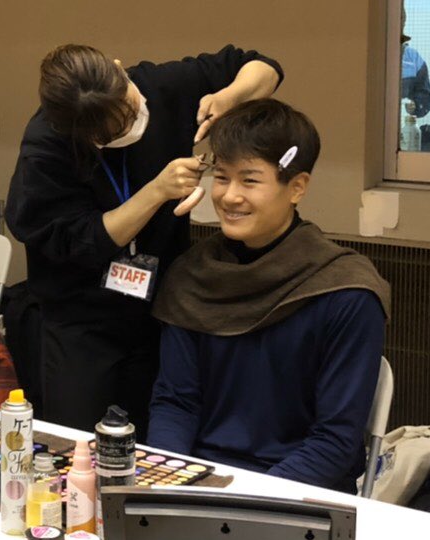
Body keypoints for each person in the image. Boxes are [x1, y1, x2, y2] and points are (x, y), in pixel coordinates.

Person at [5, 44, 281, 434]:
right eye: (112, 131)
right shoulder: (47, 147)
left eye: (130, 110)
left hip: (161, 305)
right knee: (80, 440)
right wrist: (157, 191)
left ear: (120, 70)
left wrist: (229, 97)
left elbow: (264, 67)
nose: (130, 126)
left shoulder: (162, 86)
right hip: (81, 318)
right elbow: (86, 241)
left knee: (157, 428)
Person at [148, 99, 389, 492]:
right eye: (221, 177)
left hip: (299, 492)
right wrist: (170, 483)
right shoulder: (192, 276)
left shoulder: (346, 290)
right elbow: (176, 403)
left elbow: (335, 442)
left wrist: (248, 501)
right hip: (200, 480)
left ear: (297, 187)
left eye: (249, 181)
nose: (229, 196)